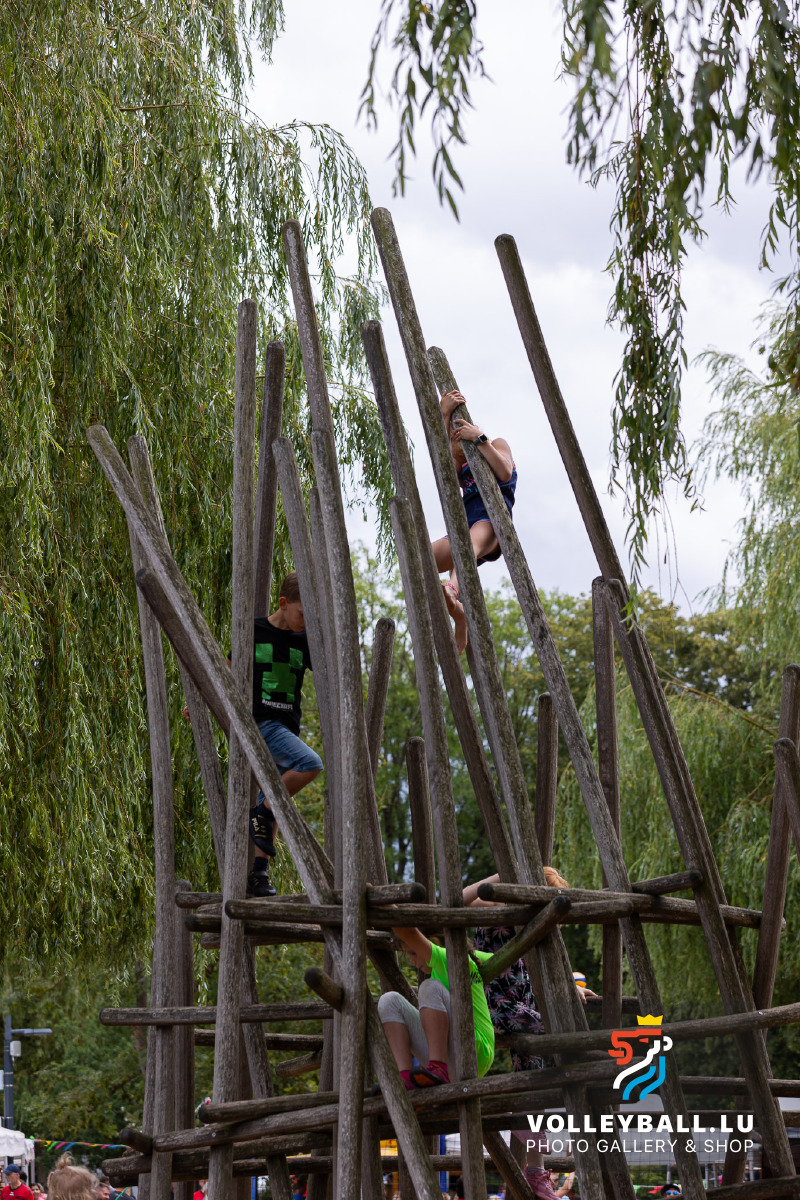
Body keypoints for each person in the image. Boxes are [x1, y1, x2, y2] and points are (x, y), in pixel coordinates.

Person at [463, 868, 596, 1200]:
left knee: (537, 1068)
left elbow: (550, 960)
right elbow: (458, 899)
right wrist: (501, 875)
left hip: (522, 1001)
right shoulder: (496, 907)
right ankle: (529, 1130)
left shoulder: (534, 922)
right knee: (556, 1038)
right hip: (496, 1003)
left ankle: (535, 1168)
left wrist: (572, 985)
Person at [245, 570, 323, 898]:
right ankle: (262, 811)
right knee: (310, 763)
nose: (305, 622)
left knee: (275, 795)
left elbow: (329, 667)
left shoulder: (305, 640)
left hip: (287, 728)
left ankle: (258, 875)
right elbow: (228, 668)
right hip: (262, 725)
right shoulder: (255, 630)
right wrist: (202, 701)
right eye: (302, 613)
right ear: (283, 603)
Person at [431, 389, 517, 653]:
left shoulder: (495, 444)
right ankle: (459, 613)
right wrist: (444, 415)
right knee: (423, 559)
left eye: (459, 436)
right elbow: (444, 465)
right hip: (465, 524)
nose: (456, 442)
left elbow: (505, 472)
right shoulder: (459, 463)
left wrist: (478, 438)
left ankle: (452, 589)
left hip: (492, 521)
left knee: (467, 545)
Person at [377, 920, 495, 1088]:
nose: (411, 960)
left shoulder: (446, 958)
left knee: (429, 987)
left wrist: (388, 909)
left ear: (433, 943)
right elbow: (496, 958)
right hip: (452, 1058)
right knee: (388, 1001)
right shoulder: (458, 960)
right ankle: (405, 1079)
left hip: (475, 1052)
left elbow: (409, 932)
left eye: (413, 953)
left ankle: (438, 1067)